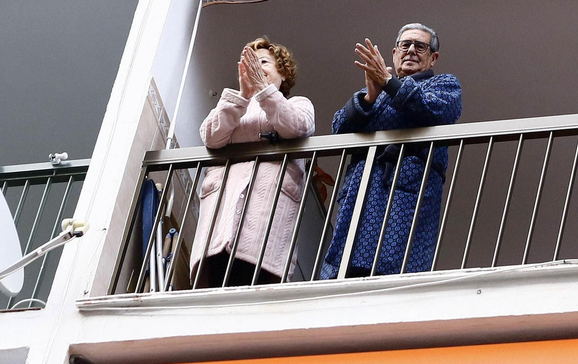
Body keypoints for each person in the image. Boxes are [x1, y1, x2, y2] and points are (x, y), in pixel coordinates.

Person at [319, 24, 462, 280]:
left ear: (433, 57)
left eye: (420, 46)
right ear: (394, 53)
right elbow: (339, 130)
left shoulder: (443, 84)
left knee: (397, 267)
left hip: (407, 192)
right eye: (405, 45)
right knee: (347, 264)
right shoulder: (371, 94)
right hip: (362, 191)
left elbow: (436, 110)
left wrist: (388, 83)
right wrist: (371, 97)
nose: (411, 51)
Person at [190, 38, 316, 288]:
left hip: (265, 224)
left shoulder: (298, 104)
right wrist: (243, 96)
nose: (256, 67)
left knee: (255, 286)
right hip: (221, 223)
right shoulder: (234, 107)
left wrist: (263, 90)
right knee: (217, 286)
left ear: (283, 72)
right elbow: (211, 137)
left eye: (264, 62)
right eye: (251, 64)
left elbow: (296, 126)